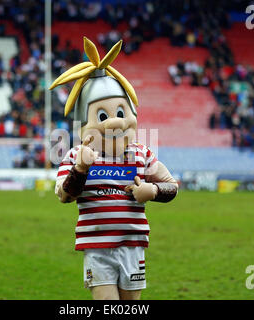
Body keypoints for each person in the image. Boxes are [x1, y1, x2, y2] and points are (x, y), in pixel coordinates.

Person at [51, 38, 178, 300]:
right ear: (84, 123)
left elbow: (172, 187)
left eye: (121, 112)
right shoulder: (77, 155)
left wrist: (151, 190)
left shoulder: (141, 154)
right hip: (97, 248)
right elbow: (65, 195)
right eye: (102, 116)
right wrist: (81, 168)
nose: (115, 122)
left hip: (133, 248)